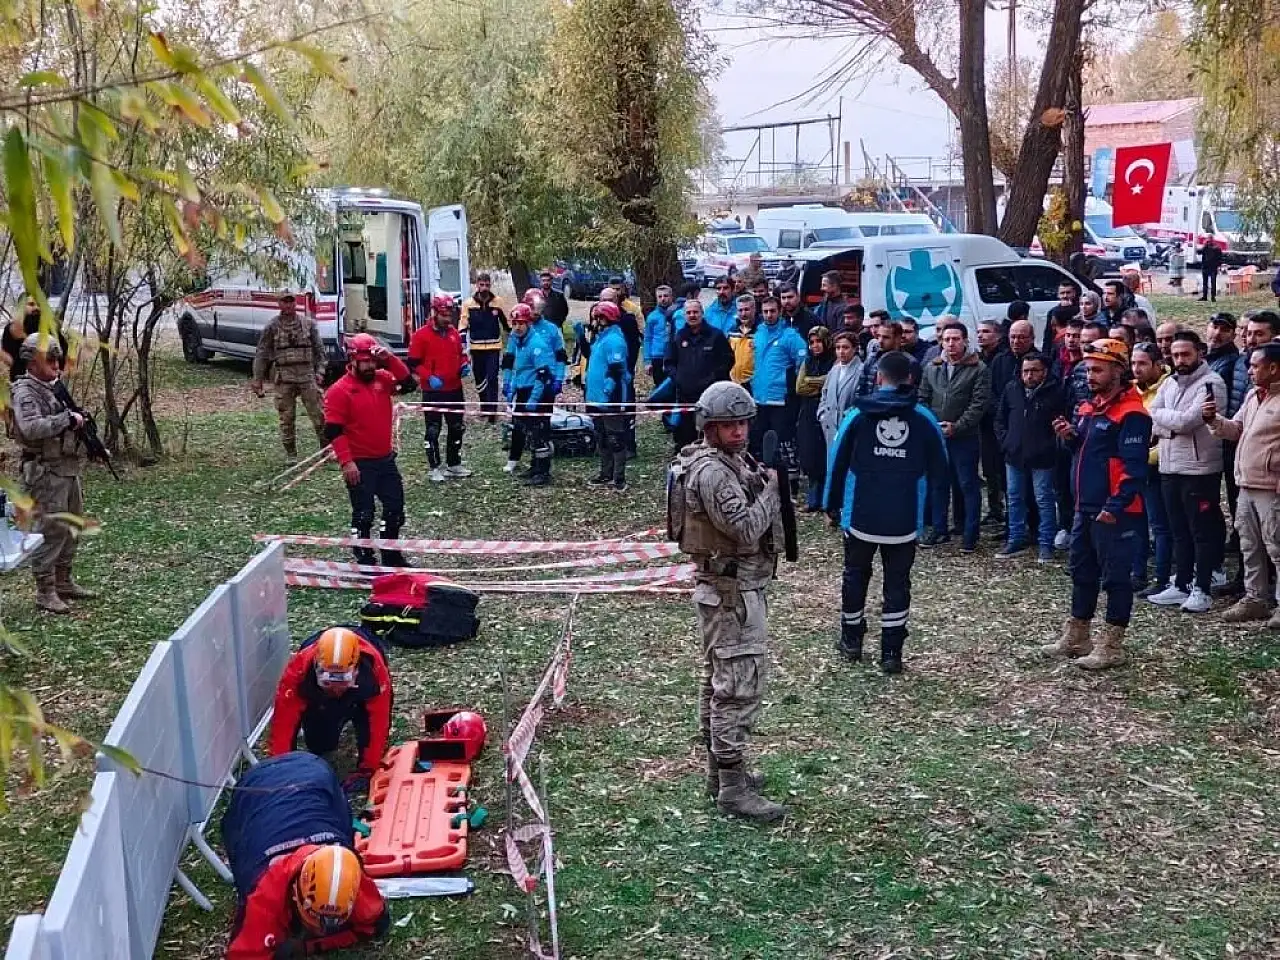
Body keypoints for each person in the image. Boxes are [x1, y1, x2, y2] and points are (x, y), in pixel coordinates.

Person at [668, 381, 787, 822]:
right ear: (709, 427)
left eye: (742, 423)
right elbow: (746, 529)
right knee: (736, 688)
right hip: (731, 594)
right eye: (728, 425)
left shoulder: (726, 462)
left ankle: (722, 775)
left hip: (729, 589)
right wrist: (772, 491)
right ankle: (732, 789)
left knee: (721, 683)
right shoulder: (714, 473)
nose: (739, 432)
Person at [824, 350, 948, 673]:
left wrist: (831, 504)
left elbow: (837, 460)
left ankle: (851, 640)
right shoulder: (924, 418)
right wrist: (935, 518)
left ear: (878, 377)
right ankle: (891, 652)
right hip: (904, 517)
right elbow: (941, 470)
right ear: (911, 379)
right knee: (897, 582)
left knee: (855, 575)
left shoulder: (856, 415)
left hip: (861, 514)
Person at [1045, 338, 1150, 669]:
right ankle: (1078, 634)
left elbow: (1134, 469)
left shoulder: (1131, 413)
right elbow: (1090, 453)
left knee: (1115, 578)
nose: (1090, 376)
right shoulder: (1091, 407)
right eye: (1088, 370)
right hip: (1085, 506)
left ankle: (1112, 645)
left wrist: (1115, 506)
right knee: (1081, 571)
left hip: (1115, 512)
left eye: (1097, 370)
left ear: (1118, 371)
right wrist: (1071, 437)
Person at [222, 752, 389, 959]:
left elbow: (376, 922)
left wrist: (310, 946)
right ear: (295, 893)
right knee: (241, 855)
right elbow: (243, 955)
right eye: (316, 918)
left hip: (314, 773)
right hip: (254, 789)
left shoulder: (346, 872)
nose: (321, 929)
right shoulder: (265, 894)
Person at [10, 334, 93, 613]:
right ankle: (45, 591)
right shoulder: (25, 392)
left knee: (72, 525)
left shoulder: (53, 388)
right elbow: (32, 428)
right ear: (32, 363)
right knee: (51, 529)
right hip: (45, 471)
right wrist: (65, 419)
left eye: (58, 359)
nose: (56, 365)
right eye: (50, 360)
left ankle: (63, 581)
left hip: (66, 467)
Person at [1147, 331, 1228, 614]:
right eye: (1175, 355)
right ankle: (1181, 583)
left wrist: (1165, 422)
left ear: (1199, 353)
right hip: (1170, 466)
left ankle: (1202, 588)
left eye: (1185, 354)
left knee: (1200, 531)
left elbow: (1186, 422)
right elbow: (1153, 413)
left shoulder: (1212, 383)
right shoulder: (1170, 382)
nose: (1180, 360)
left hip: (1199, 469)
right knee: (1178, 530)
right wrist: (1168, 422)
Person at [323, 334, 417, 568]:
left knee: (395, 509)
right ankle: (364, 558)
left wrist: (390, 359)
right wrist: (347, 462)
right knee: (364, 513)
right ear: (353, 360)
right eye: (365, 362)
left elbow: (409, 384)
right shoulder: (339, 391)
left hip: (385, 459)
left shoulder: (382, 379)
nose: (370, 366)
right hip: (360, 462)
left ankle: (390, 554)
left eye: (372, 361)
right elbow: (333, 430)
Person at [1205, 342, 1280, 628]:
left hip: (1272, 487)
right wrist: (1213, 420)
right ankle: (1255, 598)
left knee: (1277, 546)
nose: (1249, 370)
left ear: (1273, 368)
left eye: (1255, 365)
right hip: (1247, 484)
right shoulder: (1252, 396)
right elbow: (1236, 430)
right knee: (1250, 545)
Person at [269, 626, 392, 792]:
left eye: (343, 681)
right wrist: (281, 771)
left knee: (367, 724)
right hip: (320, 698)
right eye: (328, 682)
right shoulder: (298, 672)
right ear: (316, 668)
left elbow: (379, 721)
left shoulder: (374, 669)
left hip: (358, 695)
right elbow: (283, 724)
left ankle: (352, 715)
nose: (336, 689)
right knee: (320, 745)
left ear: (356, 670)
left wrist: (368, 770)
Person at [918, 324, 991, 552]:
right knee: (938, 484)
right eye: (947, 339)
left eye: (956, 339)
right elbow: (923, 398)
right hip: (937, 436)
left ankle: (970, 534)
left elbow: (978, 404)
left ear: (965, 340)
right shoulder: (932, 367)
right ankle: (939, 529)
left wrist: (957, 427)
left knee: (968, 485)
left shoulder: (978, 369)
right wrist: (931, 425)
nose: (951, 343)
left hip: (964, 437)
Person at [994, 351, 1064, 561]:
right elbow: (1000, 418)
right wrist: (1007, 442)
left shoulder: (1055, 391)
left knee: (1044, 499)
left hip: (1043, 457)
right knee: (1014, 498)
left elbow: (1062, 421)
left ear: (1044, 371)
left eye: (1034, 371)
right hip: (1014, 454)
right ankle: (1015, 538)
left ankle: (1046, 543)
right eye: (1025, 371)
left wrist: (1050, 445)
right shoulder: (1012, 389)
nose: (1029, 375)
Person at [251, 292, 326, 462]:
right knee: (286, 417)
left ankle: (326, 449)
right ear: (279, 304)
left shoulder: (308, 324)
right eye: (284, 302)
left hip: (307, 375)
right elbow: (262, 353)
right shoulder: (272, 327)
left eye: (290, 301)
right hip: (284, 377)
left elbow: (319, 351)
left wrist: (320, 371)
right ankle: (291, 454)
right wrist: (257, 378)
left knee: (319, 415)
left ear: (295, 303)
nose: (288, 305)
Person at [407, 294, 472, 483]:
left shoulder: (453, 333)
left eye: (449, 315)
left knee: (457, 427)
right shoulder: (421, 335)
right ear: (434, 313)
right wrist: (428, 376)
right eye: (444, 315)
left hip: (454, 389)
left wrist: (464, 364)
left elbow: (461, 354)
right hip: (433, 391)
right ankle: (434, 467)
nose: (447, 319)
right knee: (433, 429)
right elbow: (413, 363)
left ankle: (454, 464)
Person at [1206, 312, 1245, 596]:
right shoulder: (1213, 358)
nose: (1217, 333)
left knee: (1238, 503)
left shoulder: (1233, 362)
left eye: (1224, 329)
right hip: (1224, 434)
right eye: (1214, 327)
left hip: (1231, 438)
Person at [664, 297, 733, 450]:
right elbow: (669, 363)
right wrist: (679, 378)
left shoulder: (716, 336)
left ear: (702, 313)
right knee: (686, 435)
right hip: (685, 396)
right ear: (684, 315)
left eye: (695, 312)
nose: (692, 315)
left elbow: (727, 360)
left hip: (710, 396)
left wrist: (714, 379)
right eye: (688, 312)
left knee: (710, 433)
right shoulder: (679, 336)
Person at [1130, 343, 1172, 596]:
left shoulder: (1169, 387)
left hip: (1159, 466)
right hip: (1136, 465)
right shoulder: (1133, 390)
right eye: (1134, 363)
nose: (1137, 369)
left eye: (1142, 363)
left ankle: (1162, 577)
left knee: (1160, 525)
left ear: (1158, 364)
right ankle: (1138, 573)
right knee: (1137, 522)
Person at [501, 304, 557, 486]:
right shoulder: (519, 342)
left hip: (537, 392)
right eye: (514, 323)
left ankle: (543, 472)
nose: (517, 327)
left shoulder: (536, 344)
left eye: (521, 323)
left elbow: (543, 375)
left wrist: (534, 398)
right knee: (528, 431)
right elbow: (520, 369)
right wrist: (512, 388)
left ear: (528, 323)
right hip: (524, 389)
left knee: (539, 432)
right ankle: (535, 466)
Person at [584, 301, 634, 491]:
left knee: (615, 437)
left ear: (604, 319)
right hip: (596, 396)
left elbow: (616, 369)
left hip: (611, 397)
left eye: (597, 318)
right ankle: (606, 473)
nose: (595, 322)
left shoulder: (614, 340)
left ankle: (619, 478)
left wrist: (607, 391)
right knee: (601, 436)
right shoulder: (601, 338)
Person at [749, 295, 808, 454]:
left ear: (780, 312)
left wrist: (791, 382)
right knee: (758, 442)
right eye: (765, 311)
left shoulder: (790, 335)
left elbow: (803, 360)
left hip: (780, 399)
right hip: (759, 397)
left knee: (780, 443)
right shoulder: (758, 333)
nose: (769, 315)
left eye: (772, 311)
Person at [795, 326, 834, 511]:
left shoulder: (834, 361)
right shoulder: (808, 361)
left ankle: (826, 501)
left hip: (826, 411)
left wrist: (811, 381)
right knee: (809, 455)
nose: (815, 346)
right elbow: (799, 387)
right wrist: (819, 383)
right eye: (812, 342)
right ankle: (812, 500)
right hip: (808, 412)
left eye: (819, 341)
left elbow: (832, 381)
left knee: (824, 455)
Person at [976, 318, 1009, 527]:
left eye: (986, 332)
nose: (981, 335)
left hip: (999, 420)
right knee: (988, 468)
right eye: (979, 332)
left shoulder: (1002, 359)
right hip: (984, 422)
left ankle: (1008, 511)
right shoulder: (979, 358)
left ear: (998, 335)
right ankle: (994, 508)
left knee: (1002, 468)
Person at [818, 331, 863, 452]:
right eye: (838, 348)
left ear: (855, 349)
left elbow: (860, 399)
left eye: (845, 347)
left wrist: (847, 419)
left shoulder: (861, 371)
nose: (841, 351)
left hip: (849, 426)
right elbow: (824, 394)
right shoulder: (834, 370)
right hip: (830, 426)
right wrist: (822, 415)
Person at [3, 298, 69, 380]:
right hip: (22, 380)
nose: (36, 308)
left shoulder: (49, 328)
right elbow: (7, 355)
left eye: (39, 305)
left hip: (49, 381)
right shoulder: (12, 329)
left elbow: (63, 348)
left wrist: (59, 371)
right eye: (31, 304)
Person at [857, 321, 920, 395]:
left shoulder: (909, 362)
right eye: (878, 336)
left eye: (885, 337)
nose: (880, 341)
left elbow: (911, 393)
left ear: (898, 338)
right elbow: (861, 385)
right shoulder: (872, 358)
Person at [644, 285, 677, 388]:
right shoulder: (652, 317)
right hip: (657, 357)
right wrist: (647, 361)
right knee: (660, 386)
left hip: (674, 356)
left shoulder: (678, 314)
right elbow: (647, 339)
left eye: (666, 296)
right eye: (660, 296)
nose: (663, 299)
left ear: (671, 297)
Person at [728, 300, 755, 389]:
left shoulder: (761, 332)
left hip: (754, 384)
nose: (743, 314)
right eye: (740, 310)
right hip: (733, 383)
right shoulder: (732, 331)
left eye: (746, 309)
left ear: (754, 310)